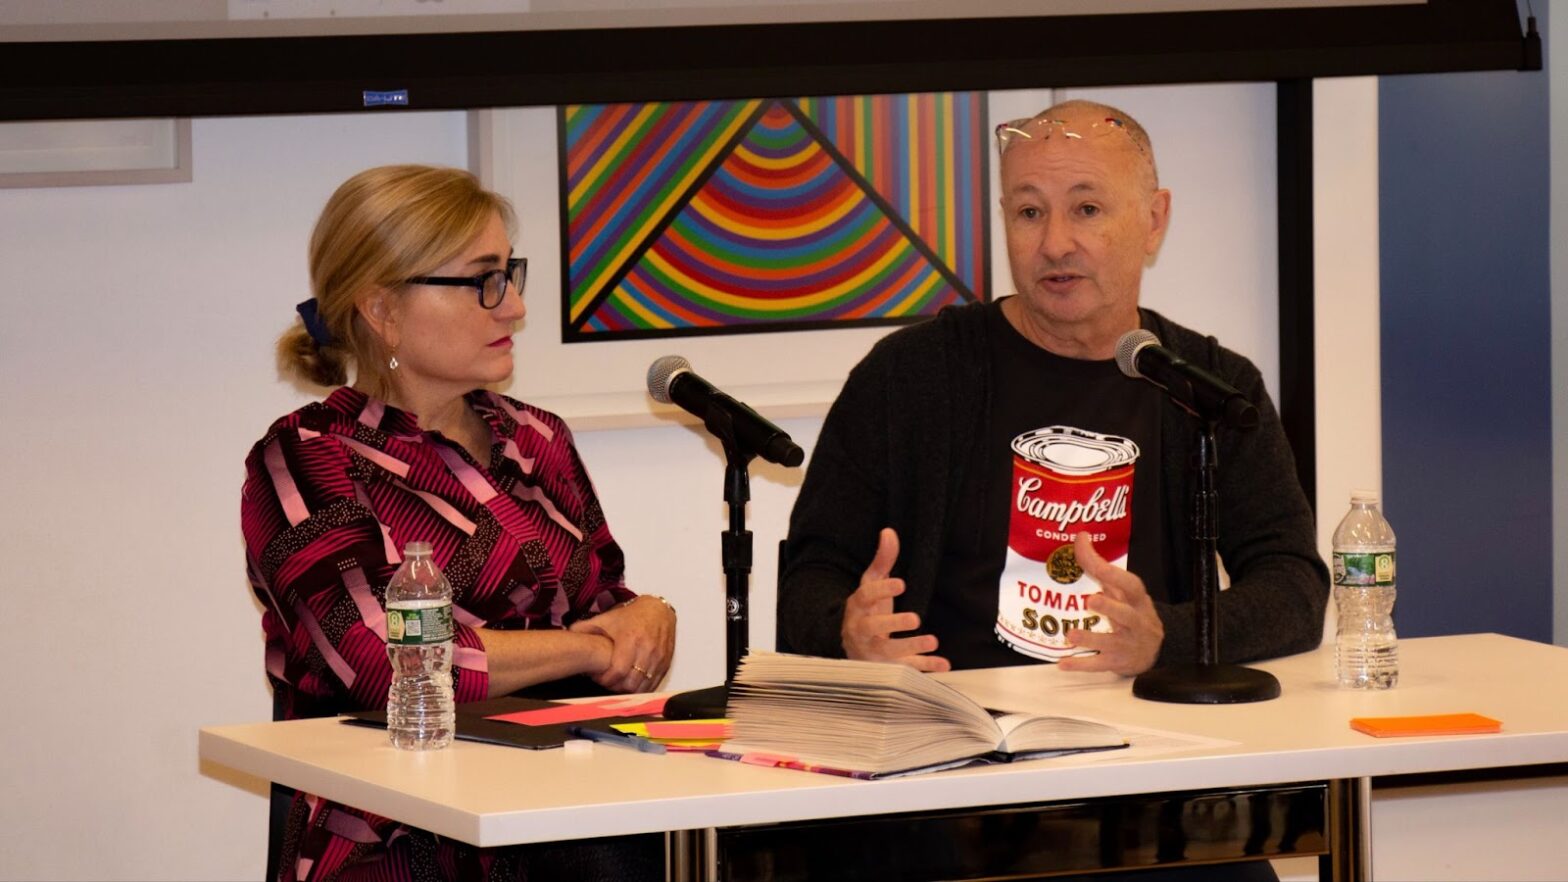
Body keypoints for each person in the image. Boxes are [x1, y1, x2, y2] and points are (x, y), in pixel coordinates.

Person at [778, 102, 1327, 881]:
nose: (1055, 243)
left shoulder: (1208, 388)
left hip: (1150, 779)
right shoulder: (910, 377)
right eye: (1029, 212)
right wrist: (847, 630)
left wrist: (1169, 635)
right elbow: (810, 578)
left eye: (1087, 209)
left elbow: (1296, 586)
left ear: (1154, 218)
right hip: (948, 786)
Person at [241, 164, 675, 881]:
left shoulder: (538, 440)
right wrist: (587, 651)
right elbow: (383, 663)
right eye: (482, 282)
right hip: (401, 844)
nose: (512, 310)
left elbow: (603, 609)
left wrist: (648, 617)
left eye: (510, 275)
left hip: (574, 822)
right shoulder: (307, 459)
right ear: (381, 307)